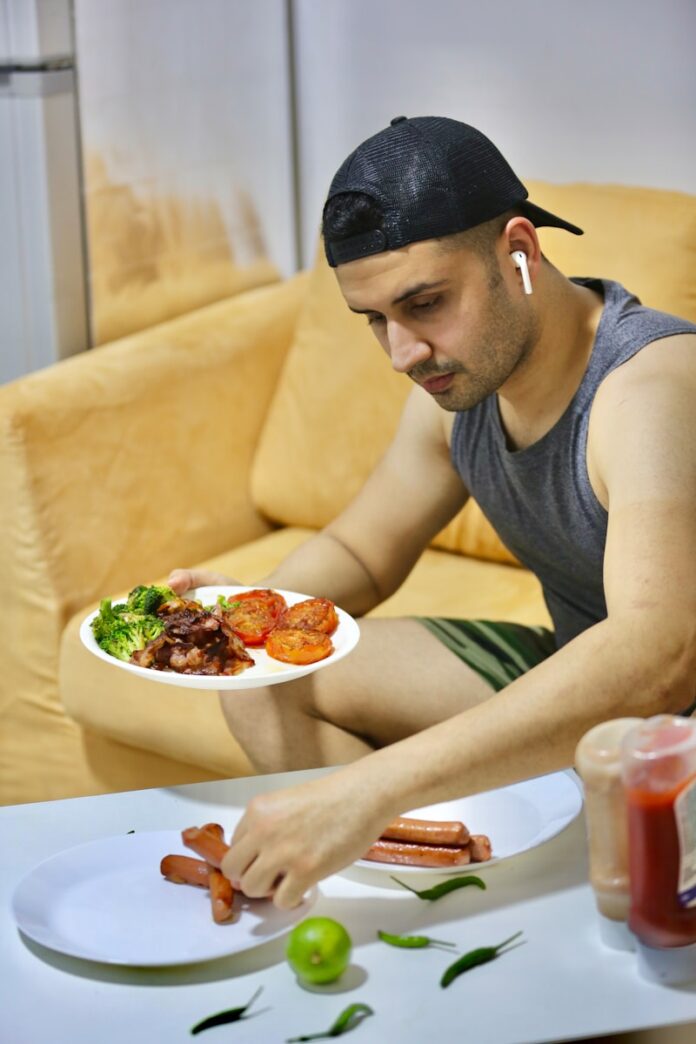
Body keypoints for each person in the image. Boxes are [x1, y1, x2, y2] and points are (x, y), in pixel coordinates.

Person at [168, 116, 696, 909]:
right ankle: (406, 887)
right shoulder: (459, 386)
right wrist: (246, 613)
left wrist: (368, 789)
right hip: (592, 689)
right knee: (257, 671)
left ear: (519, 251)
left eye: (424, 303)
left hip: (664, 714)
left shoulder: (651, 388)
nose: (401, 353)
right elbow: (363, 551)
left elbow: (657, 658)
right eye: (376, 319)